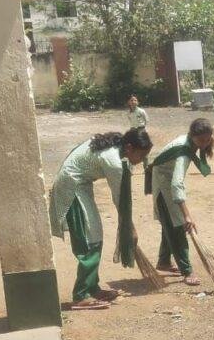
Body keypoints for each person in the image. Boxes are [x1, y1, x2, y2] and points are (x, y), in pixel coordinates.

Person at [50, 128, 154, 310]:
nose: (142, 160)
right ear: (129, 148)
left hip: (80, 187)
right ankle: (81, 295)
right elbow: (120, 200)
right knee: (90, 238)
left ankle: (92, 288)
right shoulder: (112, 160)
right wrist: (130, 228)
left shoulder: (116, 148)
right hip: (71, 189)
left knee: (94, 233)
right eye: (142, 154)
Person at [147, 118, 214, 287]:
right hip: (164, 181)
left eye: (207, 139)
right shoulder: (183, 152)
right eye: (201, 140)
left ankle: (164, 261)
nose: (204, 143)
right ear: (192, 136)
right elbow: (176, 184)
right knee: (177, 225)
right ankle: (187, 270)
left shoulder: (192, 142)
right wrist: (187, 216)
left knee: (169, 222)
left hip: (167, 178)